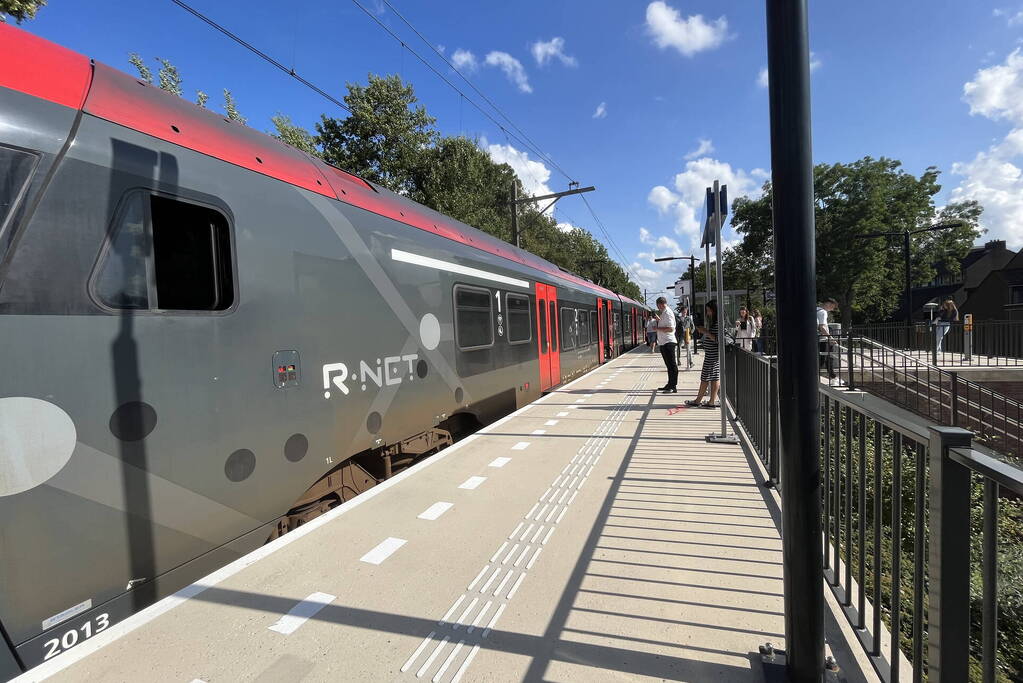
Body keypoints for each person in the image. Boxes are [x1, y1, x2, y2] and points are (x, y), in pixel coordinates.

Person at [685, 300, 720, 407]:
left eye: (709, 311)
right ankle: (708, 401)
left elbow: (717, 338)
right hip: (711, 354)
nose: (708, 313)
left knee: (708, 377)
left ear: (715, 310)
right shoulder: (715, 322)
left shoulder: (719, 322)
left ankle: (702, 401)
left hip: (713, 355)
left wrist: (705, 332)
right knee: (712, 377)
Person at [653, 297, 678, 392]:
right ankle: (670, 384)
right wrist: (659, 320)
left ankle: (673, 386)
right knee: (669, 365)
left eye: (658, 305)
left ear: (661, 304)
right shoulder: (664, 313)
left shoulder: (667, 313)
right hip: (664, 342)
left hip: (669, 342)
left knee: (672, 365)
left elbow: (671, 328)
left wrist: (657, 329)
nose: (658, 307)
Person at [818, 298, 840, 385]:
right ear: (828, 304)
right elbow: (822, 327)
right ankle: (832, 378)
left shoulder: (816, 310)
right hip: (823, 339)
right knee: (825, 358)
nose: (832, 309)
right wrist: (830, 338)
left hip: (820, 338)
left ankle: (833, 376)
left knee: (827, 358)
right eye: (832, 307)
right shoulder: (823, 312)